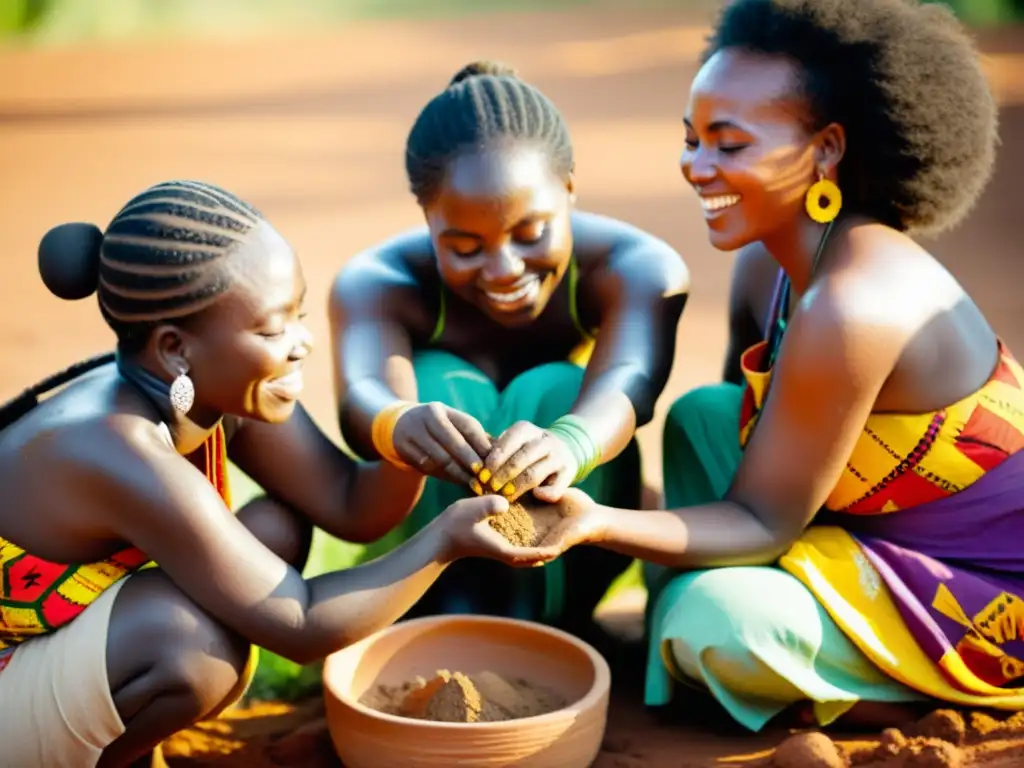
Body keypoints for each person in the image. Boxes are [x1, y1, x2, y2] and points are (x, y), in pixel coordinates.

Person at [510, 0, 1024, 733]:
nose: (697, 168)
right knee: (703, 420)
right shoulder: (769, 266)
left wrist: (597, 524)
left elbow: (760, 516)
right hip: (860, 530)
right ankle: (692, 647)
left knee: (717, 622)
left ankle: (915, 694)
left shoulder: (853, 307)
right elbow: (747, 448)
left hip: (978, 595)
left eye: (730, 145)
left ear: (827, 150)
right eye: (692, 140)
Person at [0, 179, 545, 768]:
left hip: (54, 631)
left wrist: (403, 437)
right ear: (175, 349)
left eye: (299, 315)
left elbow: (349, 505)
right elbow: (300, 623)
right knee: (188, 644)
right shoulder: (115, 446)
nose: (301, 343)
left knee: (275, 529)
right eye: (271, 329)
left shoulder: (213, 388)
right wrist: (448, 539)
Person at [330, 61, 690, 634]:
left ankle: (555, 625)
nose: (503, 269)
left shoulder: (633, 267)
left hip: (567, 518)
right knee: (437, 386)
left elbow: (631, 379)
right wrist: (398, 423)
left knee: (560, 389)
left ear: (570, 185)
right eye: (466, 246)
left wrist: (570, 444)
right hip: (428, 537)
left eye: (530, 235)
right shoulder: (380, 283)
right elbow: (362, 397)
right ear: (427, 216)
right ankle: (434, 619)